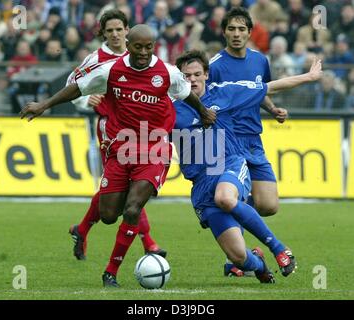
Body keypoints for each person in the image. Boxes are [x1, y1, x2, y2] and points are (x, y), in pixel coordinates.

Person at [20, 24, 216, 288]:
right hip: (121, 149)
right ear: (129, 45)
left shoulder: (167, 72)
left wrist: (203, 112)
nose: (144, 52)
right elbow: (77, 87)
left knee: (132, 209)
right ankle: (86, 228)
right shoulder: (110, 69)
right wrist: (44, 105)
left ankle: (110, 272)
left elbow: (186, 95)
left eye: (149, 47)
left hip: (154, 149)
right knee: (110, 214)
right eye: (139, 47)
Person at [173, 49, 322, 282]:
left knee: (225, 198)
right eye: (186, 76)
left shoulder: (225, 93)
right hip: (201, 184)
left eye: (196, 74)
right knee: (238, 257)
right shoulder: (170, 108)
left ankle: (279, 248)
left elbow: (269, 87)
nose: (191, 80)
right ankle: (259, 265)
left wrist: (308, 77)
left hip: (229, 164)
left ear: (206, 75)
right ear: (179, 78)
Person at [66, 9, 167, 265]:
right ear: (102, 32)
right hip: (111, 130)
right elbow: (72, 84)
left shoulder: (139, 53)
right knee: (124, 186)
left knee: (125, 188)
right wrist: (84, 101)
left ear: (127, 30)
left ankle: (83, 228)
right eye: (109, 30)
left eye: (119, 29)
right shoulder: (95, 59)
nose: (114, 34)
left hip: (144, 133)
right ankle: (148, 242)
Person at [207, 7, 288, 276]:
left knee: (268, 206)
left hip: (254, 140)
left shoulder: (260, 61)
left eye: (242, 29)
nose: (237, 34)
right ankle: (236, 259)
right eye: (231, 29)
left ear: (250, 32)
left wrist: (273, 109)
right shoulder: (215, 66)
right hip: (229, 142)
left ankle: (237, 224)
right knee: (233, 197)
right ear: (224, 32)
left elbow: (259, 92)